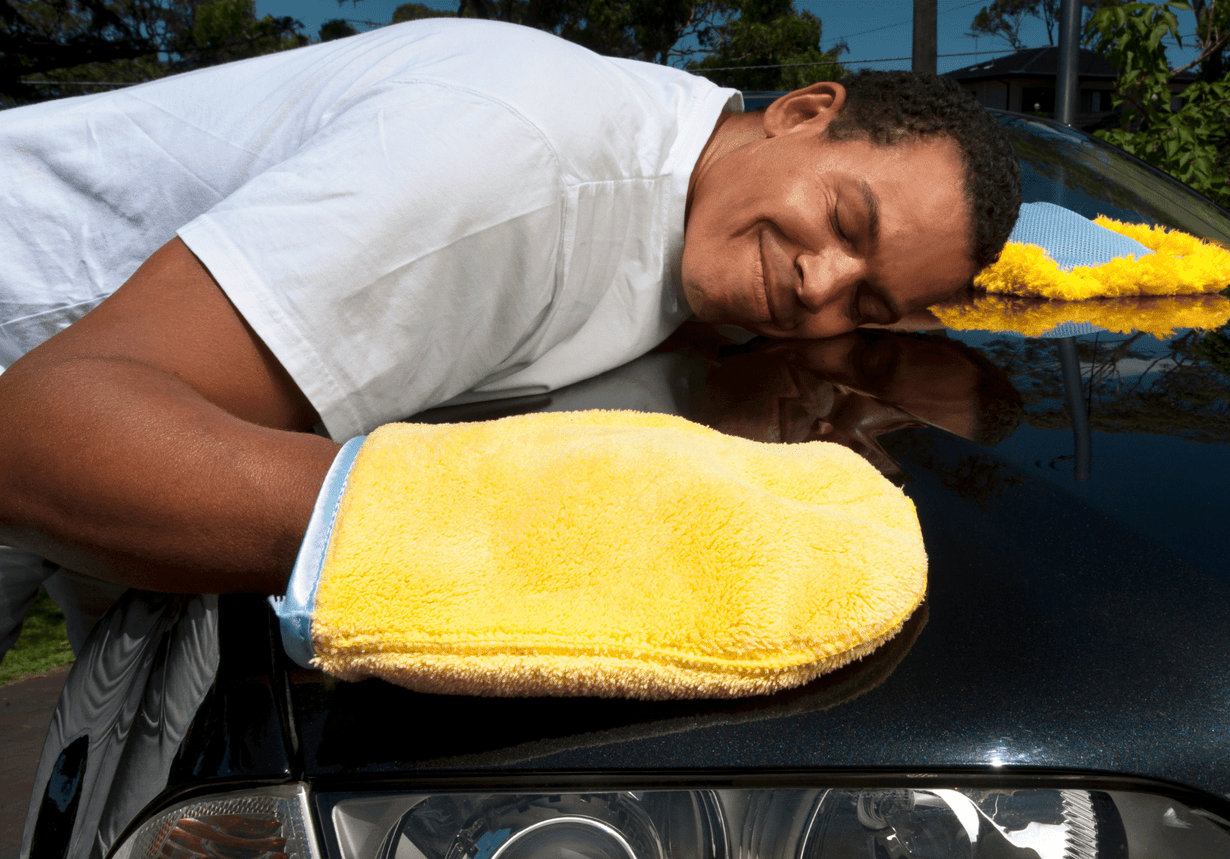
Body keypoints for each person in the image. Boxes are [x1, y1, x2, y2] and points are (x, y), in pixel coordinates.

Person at [0, 18, 1022, 654]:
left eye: (870, 303)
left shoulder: (700, 246)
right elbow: (36, 432)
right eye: (846, 223)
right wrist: (515, 542)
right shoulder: (515, 161)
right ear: (802, 110)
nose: (819, 288)